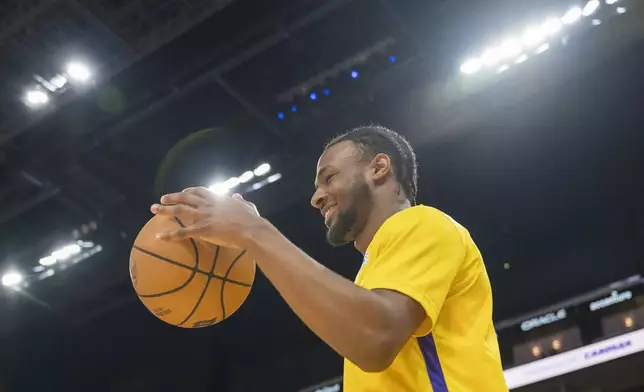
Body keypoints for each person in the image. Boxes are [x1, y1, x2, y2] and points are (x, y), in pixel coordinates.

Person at [150, 125, 509, 392]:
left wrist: (254, 232)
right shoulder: (373, 277)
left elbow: (375, 339)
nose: (316, 197)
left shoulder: (424, 223)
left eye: (329, 177)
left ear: (379, 168)